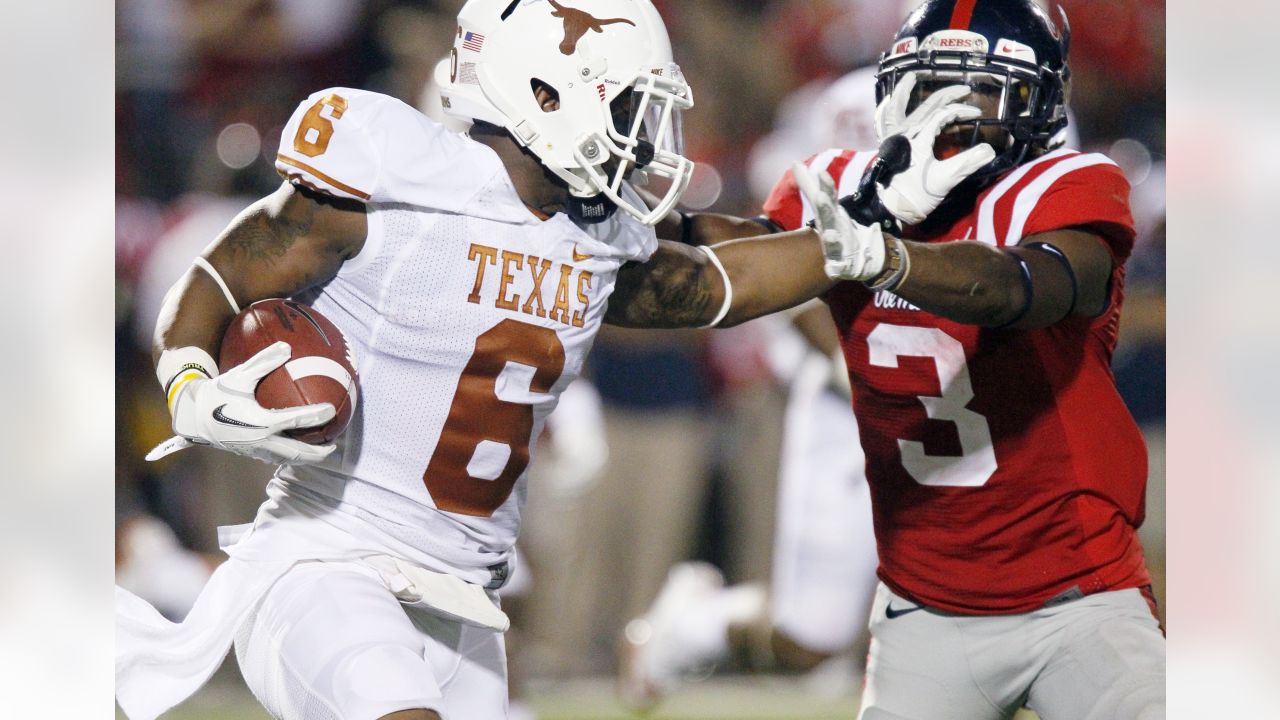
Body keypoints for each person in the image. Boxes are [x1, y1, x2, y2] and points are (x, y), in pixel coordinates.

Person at [114, 1, 848, 719]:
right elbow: (220, 275)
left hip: (461, 599)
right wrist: (186, 376)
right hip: (325, 563)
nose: (641, 135)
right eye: (625, 106)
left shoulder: (595, 232)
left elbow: (725, 269)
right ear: (543, 92)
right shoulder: (395, 177)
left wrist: (868, 244)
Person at [630, 1, 1166, 718]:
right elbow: (729, 253)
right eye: (925, 84)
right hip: (928, 608)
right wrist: (608, 209)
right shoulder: (848, 186)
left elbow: (1017, 287)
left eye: (974, 86)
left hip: (1080, 599)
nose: (943, 109)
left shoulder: (1066, 187)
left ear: (1036, 103)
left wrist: (883, 253)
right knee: (810, 633)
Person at [620, 66, 885, 710]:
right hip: (846, 403)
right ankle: (691, 629)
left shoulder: (1019, 89)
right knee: (810, 639)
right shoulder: (849, 103)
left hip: (967, 402)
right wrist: (870, 371)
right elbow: (788, 265)